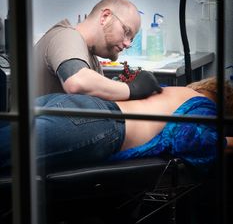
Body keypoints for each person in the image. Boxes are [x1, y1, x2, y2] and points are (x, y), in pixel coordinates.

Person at [1, 77, 232, 175]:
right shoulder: (205, 106)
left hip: (72, 104)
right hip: (98, 125)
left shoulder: (178, 91)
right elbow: (191, 138)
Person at [34, 0, 161, 100]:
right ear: (105, 17)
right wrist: (133, 89)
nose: (128, 44)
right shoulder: (67, 36)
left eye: (131, 39)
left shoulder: (91, 57)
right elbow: (76, 82)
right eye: (126, 32)